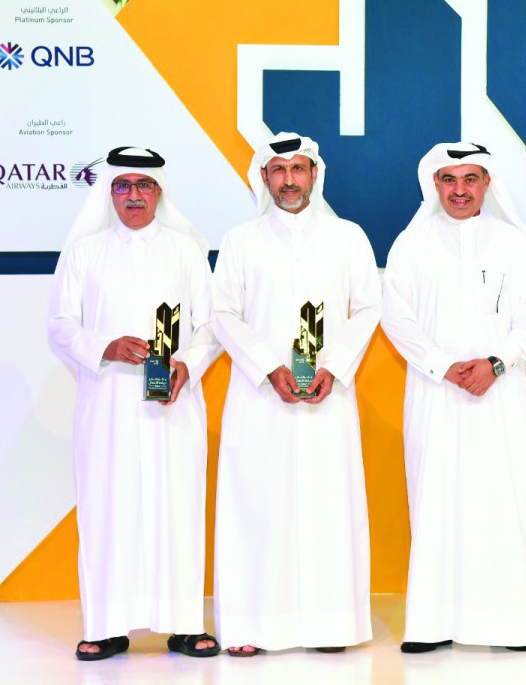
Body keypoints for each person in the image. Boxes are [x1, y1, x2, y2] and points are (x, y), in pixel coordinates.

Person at [210, 133, 381, 656]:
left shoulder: (348, 236)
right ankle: (250, 627)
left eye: (298, 169)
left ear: (315, 175)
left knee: (328, 505)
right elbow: (223, 314)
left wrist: (332, 366)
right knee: (257, 506)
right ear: (264, 178)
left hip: (328, 395)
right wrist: (268, 366)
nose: (288, 179)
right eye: (278, 170)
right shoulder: (241, 240)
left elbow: (369, 307)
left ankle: (330, 627)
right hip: (262, 396)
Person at [48, 146, 221, 661]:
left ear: (159, 192)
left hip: (173, 402)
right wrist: (106, 346)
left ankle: (184, 623)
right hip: (108, 405)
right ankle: (104, 625)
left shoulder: (186, 250)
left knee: (178, 507)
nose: (134, 196)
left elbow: (211, 324)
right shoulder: (84, 252)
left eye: (144, 186)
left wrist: (188, 363)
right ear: (110, 193)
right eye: (123, 186)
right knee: (108, 507)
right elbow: (60, 325)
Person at [382, 142, 526, 653]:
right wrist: (442, 365)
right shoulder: (410, 246)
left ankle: (510, 626)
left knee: (502, 502)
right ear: (434, 184)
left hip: (500, 395)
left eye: (470, 179)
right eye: (449, 180)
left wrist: (495, 364)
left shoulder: (515, 245)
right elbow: (396, 317)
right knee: (434, 500)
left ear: (486, 184)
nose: (459, 190)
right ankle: (431, 625)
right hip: (436, 394)